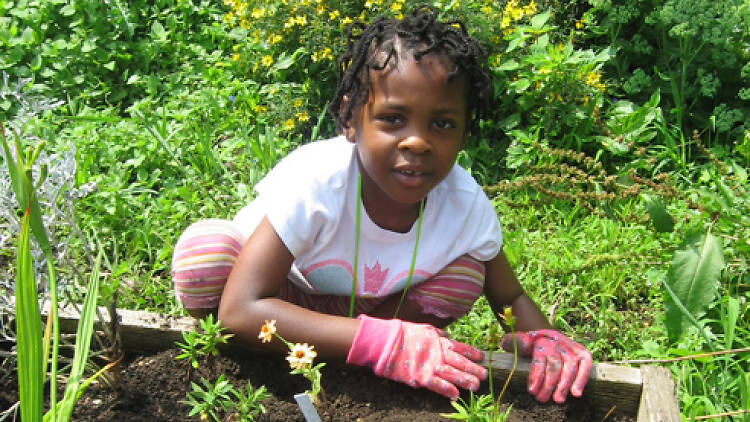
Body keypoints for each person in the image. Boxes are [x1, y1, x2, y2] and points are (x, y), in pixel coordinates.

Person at [171, 5, 592, 404]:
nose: (417, 141)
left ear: (464, 137)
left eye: (442, 124)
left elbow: (509, 296)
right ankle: (255, 358)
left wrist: (546, 342)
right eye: (393, 119)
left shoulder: (463, 203)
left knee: (467, 273)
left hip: (373, 310)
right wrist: (375, 342)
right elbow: (239, 308)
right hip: (283, 297)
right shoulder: (319, 182)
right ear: (350, 120)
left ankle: (361, 345)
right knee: (205, 259)